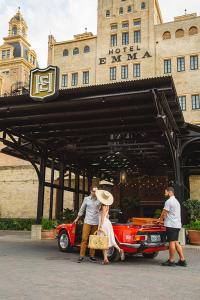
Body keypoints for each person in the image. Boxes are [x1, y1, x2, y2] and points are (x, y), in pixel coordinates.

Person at [158, 187, 187, 267]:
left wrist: (160, 220)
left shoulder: (169, 201)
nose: (165, 193)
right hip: (177, 225)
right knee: (176, 242)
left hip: (171, 225)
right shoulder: (176, 201)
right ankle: (182, 260)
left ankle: (171, 260)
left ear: (170, 192)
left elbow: (164, 212)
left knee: (171, 242)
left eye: (165, 192)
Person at [96, 189, 125, 265]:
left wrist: (100, 227)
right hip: (107, 223)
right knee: (110, 239)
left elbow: (102, 217)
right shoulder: (107, 205)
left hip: (103, 223)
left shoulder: (103, 206)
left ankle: (105, 259)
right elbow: (107, 216)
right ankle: (119, 249)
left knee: (103, 241)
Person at [73, 186, 100, 263]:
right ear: (91, 192)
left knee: (93, 239)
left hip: (96, 222)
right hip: (87, 221)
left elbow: (103, 209)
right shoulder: (86, 199)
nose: (95, 193)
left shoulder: (100, 200)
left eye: (96, 191)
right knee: (84, 239)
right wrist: (77, 219)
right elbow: (82, 209)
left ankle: (92, 255)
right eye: (94, 191)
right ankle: (81, 256)